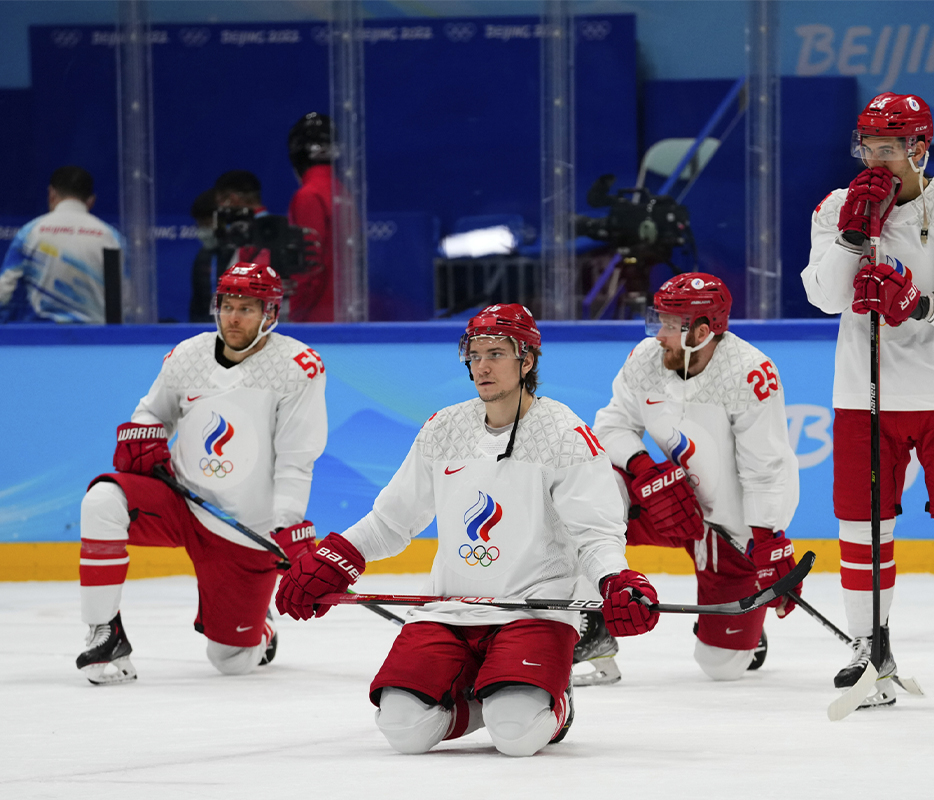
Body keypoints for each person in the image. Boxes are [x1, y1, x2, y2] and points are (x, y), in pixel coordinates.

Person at [274, 304, 658, 757]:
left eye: (496, 354)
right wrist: (337, 557)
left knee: (516, 734)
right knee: (402, 728)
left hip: (532, 614)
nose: (482, 366)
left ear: (527, 361)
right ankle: (486, 696)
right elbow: (391, 520)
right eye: (474, 355)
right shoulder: (444, 428)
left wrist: (616, 579)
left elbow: (595, 535)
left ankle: (553, 701)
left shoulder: (566, 436)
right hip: (448, 612)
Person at [801, 92, 934, 710]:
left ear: (920, 148)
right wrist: (851, 237)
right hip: (864, 396)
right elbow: (824, 297)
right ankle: (870, 648)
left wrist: (920, 303)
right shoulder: (837, 206)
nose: (875, 159)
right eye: (866, 147)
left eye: (888, 148)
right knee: (863, 527)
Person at [75, 261, 328, 684]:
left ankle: (259, 627)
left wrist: (287, 523)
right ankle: (105, 632)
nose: (233, 318)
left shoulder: (298, 367)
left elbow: (296, 458)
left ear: (270, 313)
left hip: (245, 529)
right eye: (227, 306)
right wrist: (143, 436)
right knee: (102, 500)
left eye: (246, 309)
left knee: (232, 661)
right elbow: (151, 414)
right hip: (180, 501)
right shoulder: (187, 356)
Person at [585, 273, 800, 686]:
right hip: (668, 502)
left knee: (721, 666)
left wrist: (767, 538)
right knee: (590, 492)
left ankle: (741, 630)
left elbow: (766, 468)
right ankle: (592, 627)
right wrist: (644, 469)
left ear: (702, 332)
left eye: (669, 325)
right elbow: (611, 425)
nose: (659, 336)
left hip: (730, 528)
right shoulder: (646, 359)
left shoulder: (750, 373)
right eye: (659, 321)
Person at [0, 166, 122, 323]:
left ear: (51, 193)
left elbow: (3, 292)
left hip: (40, 334)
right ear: (91, 201)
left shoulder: (30, 233)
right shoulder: (110, 237)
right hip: (95, 334)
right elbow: (123, 300)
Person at [286, 112, 336, 322]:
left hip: (317, 315)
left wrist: (297, 315)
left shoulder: (308, 195)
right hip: (341, 311)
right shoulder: (343, 192)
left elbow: (310, 268)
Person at [188, 187, 220, 322]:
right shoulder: (203, 256)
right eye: (200, 225)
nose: (203, 231)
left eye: (207, 224)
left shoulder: (247, 254)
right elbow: (198, 305)